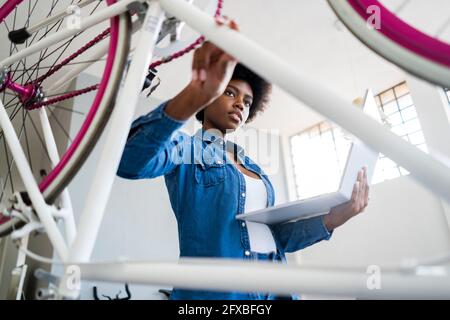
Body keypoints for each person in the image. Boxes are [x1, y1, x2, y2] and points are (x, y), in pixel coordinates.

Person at [117, 17, 369, 300]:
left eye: (247, 102)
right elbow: (129, 161)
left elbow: (275, 239)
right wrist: (193, 94)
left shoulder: (255, 169)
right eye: (229, 92)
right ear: (209, 99)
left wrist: (333, 219)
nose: (240, 103)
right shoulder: (186, 148)